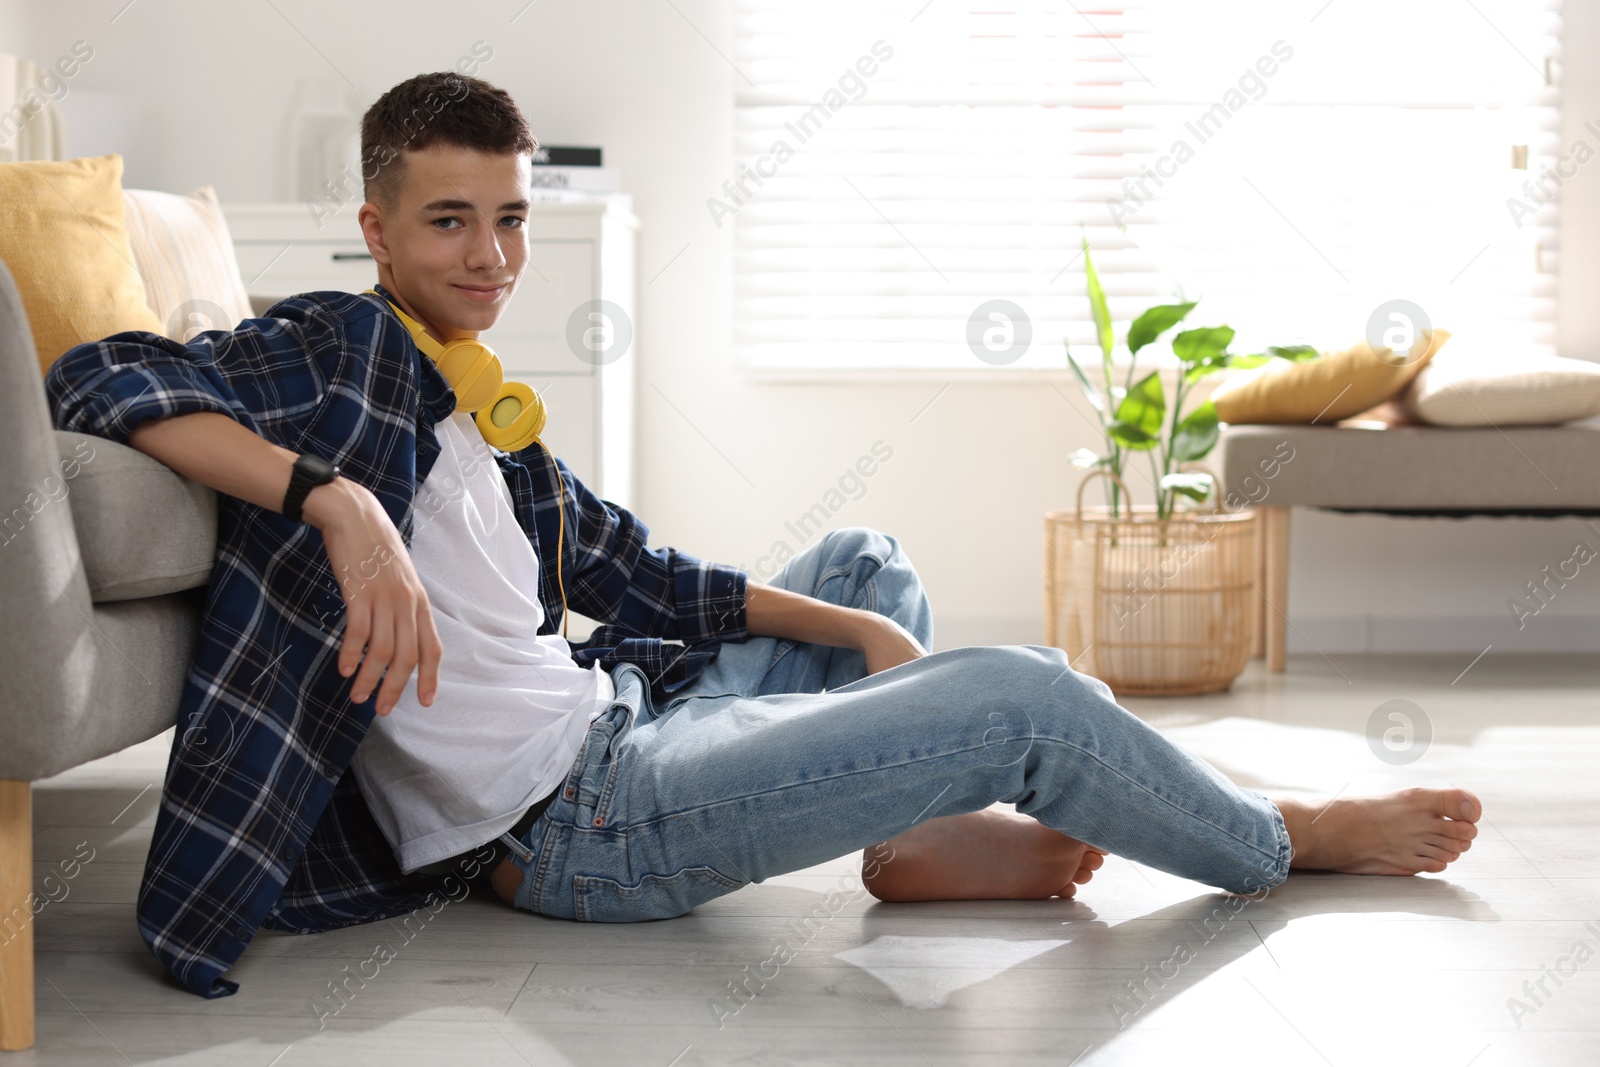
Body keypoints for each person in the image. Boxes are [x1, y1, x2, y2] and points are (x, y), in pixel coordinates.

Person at [45, 72, 1479, 998]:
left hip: (617, 718)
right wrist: (336, 501)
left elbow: (639, 574)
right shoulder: (338, 346)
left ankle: (910, 840)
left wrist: (854, 632)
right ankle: (1277, 837)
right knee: (1026, 692)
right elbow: (97, 375)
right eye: (448, 224)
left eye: (509, 222)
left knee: (857, 564)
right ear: (375, 226)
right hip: (578, 826)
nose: (489, 258)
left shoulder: (482, 407)